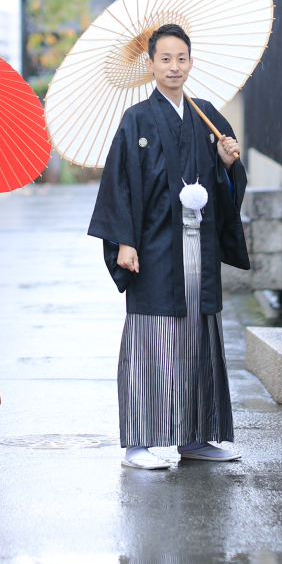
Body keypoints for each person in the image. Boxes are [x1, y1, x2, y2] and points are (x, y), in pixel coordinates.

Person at [88, 23, 249, 470]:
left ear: (191, 62)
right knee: (152, 340)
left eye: (181, 58)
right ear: (151, 64)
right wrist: (124, 242)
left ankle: (196, 438)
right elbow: (119, 183)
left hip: (200, 246)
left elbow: (228, 185)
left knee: (199, 338)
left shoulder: (208, 116)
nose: (174, 66)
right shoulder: (137, 119)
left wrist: (226, 164)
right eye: (165, 59)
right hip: (155, 246)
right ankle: (138, 443)